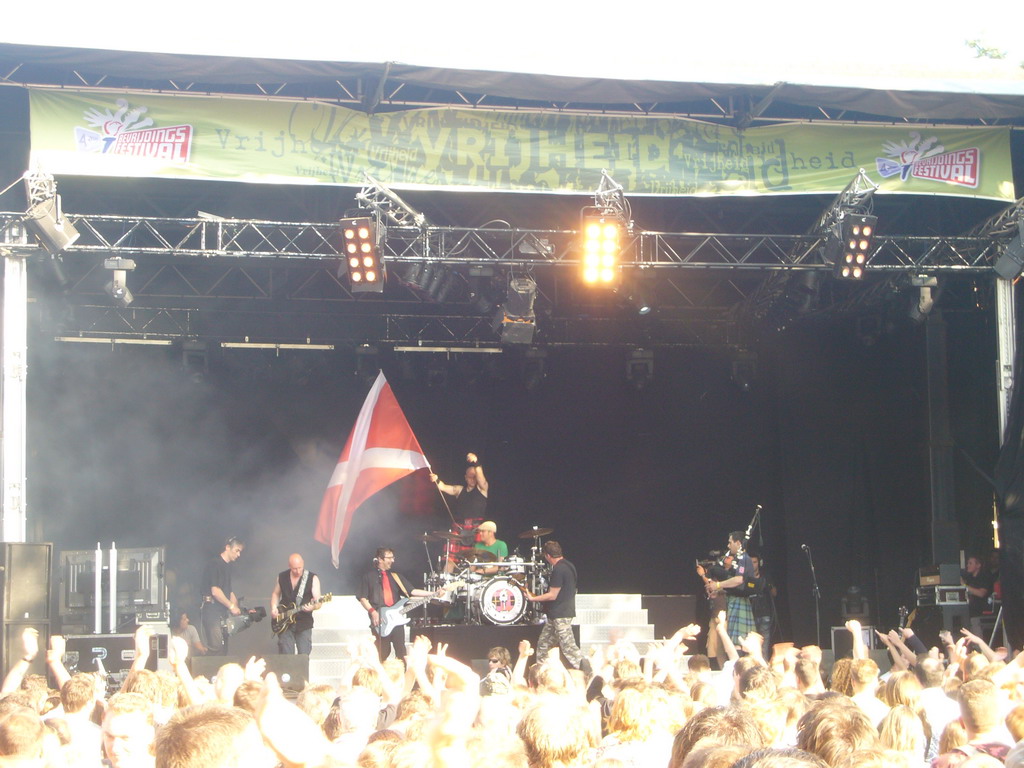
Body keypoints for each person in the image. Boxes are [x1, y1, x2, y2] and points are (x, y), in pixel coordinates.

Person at [357, 548, 437, 662]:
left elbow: (412, 591)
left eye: (393, 557)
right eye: (389, 558)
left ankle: (403, 677)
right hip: (380, 620)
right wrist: (373, 612)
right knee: (383, 652)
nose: (392, 560)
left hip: (396, 620)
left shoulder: (396, 577)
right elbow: (362, 598)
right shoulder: (369, 577)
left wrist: (434, 593)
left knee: (401, 651)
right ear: (380, 559)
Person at [526, 540, 590, 674]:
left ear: (548, 556)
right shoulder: (569, 565)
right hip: (555, 615)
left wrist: (533, 598)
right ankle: (540, 674)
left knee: (569, 648)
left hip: (561, 615)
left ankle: (589, 674)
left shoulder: (559, 569)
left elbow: (552, 595)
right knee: (543, 645)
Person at [707, 532, 756, 647]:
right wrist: (719, 591)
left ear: (738, 543)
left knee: (739, 642)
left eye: (730, 542)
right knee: (736, 642)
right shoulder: (738, 560)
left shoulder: (744, 558)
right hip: (734, 602)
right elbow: (735, 587)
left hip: (740, 603)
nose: (728, 546)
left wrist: (718, 585)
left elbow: (739, 580)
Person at [270, 553, 323, 655]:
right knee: (286, 656)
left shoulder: (312, 578)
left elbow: (318, 601)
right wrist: (273, 608)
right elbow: (275, 594)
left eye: (300, 568)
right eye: (294, 569)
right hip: (284, 622)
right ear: (289, 566)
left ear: (303, 564)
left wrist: (313, 606)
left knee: (303, 656)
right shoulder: (282, 577)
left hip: (303, 623)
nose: (298, 571)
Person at [201, 537, 244, 655]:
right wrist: (231, 607)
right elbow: (215, 591)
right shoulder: (215, 564)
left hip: (222, 611)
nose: (239, 554)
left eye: (240, 551)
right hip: (212, 610)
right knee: (216, 645)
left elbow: (229, 592)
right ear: (227, 547)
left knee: (224, 646)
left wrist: (237, 607)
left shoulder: (228, 566)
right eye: (237, 550)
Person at [749, 554, 777, 655]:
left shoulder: (765, 577)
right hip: (751, 615)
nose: (753, 565)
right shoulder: (746, 578)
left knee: (764, 647)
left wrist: (768, 585)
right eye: (751, 562)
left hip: (765, 614)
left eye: (755, 562)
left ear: (759, 563)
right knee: (752, 647)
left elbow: (774, 593)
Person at [961, 554, 994, 636]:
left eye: (970, 563)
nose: (967, 565)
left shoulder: (984, 576)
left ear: (978, 565)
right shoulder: (969, 578)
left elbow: (981, 593)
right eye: (967, 563)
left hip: (979, 611)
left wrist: (965, 586)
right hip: (968, 612)